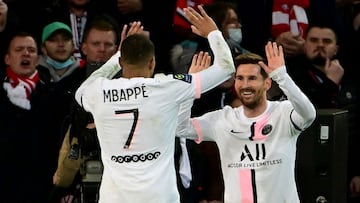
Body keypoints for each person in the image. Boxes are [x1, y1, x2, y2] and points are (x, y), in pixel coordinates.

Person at [74, 5, 235, 203]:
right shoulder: (167, 87)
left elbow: (81, 90)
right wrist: (213, 33)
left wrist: (116, 57)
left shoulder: (98, 91)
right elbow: (226, 68)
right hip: (160, 197)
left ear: (123, 62)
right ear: (152, 62)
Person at [176, 41, 316, 203]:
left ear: (267, 83)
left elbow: (309, 115)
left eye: (252, 78)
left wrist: (282, 76)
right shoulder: (222, 120)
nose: (245, 85)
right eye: (240, 78)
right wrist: (191, 88)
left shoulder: (283, 113)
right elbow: (180, 127)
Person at [0, 31, 63, 202]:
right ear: (7, 59)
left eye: (31, 50)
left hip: (43, 187)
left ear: (37, 58)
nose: (25, 53)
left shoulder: (55, 95)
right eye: (19, 49)